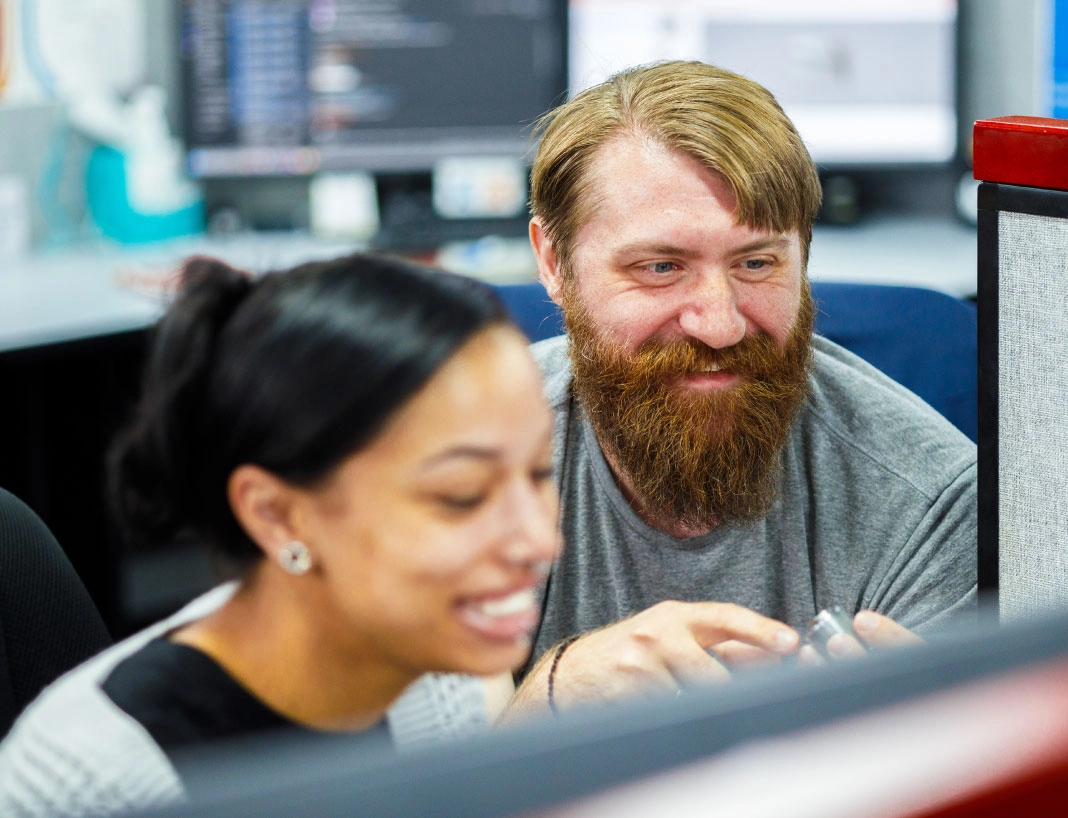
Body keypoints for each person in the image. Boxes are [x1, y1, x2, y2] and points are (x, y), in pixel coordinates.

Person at [0, 252, 560, 816]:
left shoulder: (438, 678)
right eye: (461, 496)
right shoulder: (89, 783)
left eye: (540, 473)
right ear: (277, 516)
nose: (539, 541)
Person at [501, 60, 976, 717]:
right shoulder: (454, 461)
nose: (720, 326)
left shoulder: (932, 507)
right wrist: (550, 694)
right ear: (553, 263)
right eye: (661, 267)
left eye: (756, 263)